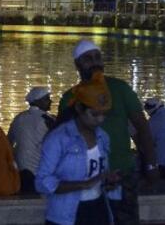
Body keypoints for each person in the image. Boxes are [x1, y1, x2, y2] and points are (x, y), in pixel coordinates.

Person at [58, 40, 159, 225]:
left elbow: (142, 127)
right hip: (85, 177)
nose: (95, 62)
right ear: (77, 65)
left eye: (97, 57)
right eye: (88, 59)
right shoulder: (69, 99)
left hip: (121, 172)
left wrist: (151, 164)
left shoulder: (120, 89)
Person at [37, 73, 119, 225]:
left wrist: (108, 182)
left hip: (98, 209)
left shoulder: (103, 137)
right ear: (79, 108)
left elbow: (99, 175)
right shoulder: (58, 139)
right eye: (94, 114)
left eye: (103, 115)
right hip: (65, 215)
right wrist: (83, 184)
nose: (100, 120)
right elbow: (42, 181)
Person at [8, 85, 55, 193]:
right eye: (47, 99)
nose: (50, 101)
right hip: (39, 174)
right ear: (38, 101)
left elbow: (9, 142)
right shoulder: (48, 120)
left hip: (19, 172)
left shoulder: (19, 118)